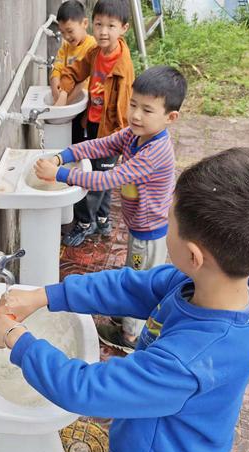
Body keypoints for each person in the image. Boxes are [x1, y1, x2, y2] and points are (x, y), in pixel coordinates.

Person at [0, 147, 249, 452]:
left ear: (193, 255)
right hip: (165, 439)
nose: (164, 223)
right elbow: (131, 287)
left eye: (168, 222)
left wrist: (15, 339)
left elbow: (87, 390)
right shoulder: (204, 285)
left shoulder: (188, 362)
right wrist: (45, 295)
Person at [36, 65, 187, 352]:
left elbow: (109, 178)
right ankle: (126, 314)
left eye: (147, 109)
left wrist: (61, 174)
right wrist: (63, 155)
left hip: (149, 233)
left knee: (140, 282)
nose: (136, 115)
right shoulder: (134, 134)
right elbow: (101, 145)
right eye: (133, 105)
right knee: (133, 274)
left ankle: (130, 337)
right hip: (139, 227)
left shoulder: (156, 151)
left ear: (171, 117)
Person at [56, 0, 134, 247]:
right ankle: (102, 218)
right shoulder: (95, 53)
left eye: (110, 26)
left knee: (92, 178)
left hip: (111, 133)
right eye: (99, 24)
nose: (102, 31)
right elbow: (74, 71)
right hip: (92, 124)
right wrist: (62, 90)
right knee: (102, 174)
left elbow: (125, 110)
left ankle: (84, 224)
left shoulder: (123, 68)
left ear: (124, 28)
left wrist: (122, 142)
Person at [49, 0, 97, 110]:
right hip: (65, 97)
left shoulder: (92, 47)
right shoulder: (65, 47)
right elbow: (56, 70)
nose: (66, 36)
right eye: (62, 32)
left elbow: (83, 80)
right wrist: (56, 94)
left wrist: (65, 103)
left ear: (85, 23)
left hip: (84, 103)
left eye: (70, 31)